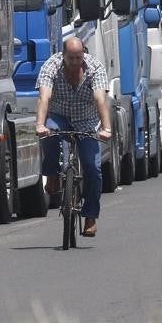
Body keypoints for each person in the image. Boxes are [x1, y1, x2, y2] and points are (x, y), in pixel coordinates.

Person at [35, 37, 114, 236]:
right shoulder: (51, 66)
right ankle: (52, 173)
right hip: (58, 115)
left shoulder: (95, 68)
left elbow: (99, 98)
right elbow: (44, 97)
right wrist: (40, 125)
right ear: (63, 56)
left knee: (93, 168)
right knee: (50, 135)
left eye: (79, 57)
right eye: (71, 58)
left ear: (84, 54)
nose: (75, 62)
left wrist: (106, 128)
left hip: (86, 120)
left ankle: (90, 216)